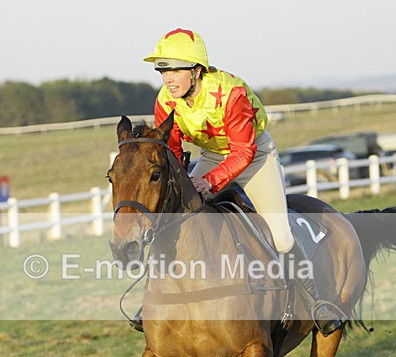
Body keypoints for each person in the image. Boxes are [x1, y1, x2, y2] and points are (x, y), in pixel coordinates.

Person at [142, 28, 343, 335]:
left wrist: (209, 182)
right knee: (173, 219)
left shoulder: (230, 93)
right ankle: (155, 302)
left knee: (281, 236)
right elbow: (173, 149)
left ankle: (316, 302)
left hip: (254, 155)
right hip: (212, 154)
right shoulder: (165, 101)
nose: (168, 79)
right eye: (163, 70)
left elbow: (243, 152)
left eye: (175, 70)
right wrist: (181, 181)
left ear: (196, 71)